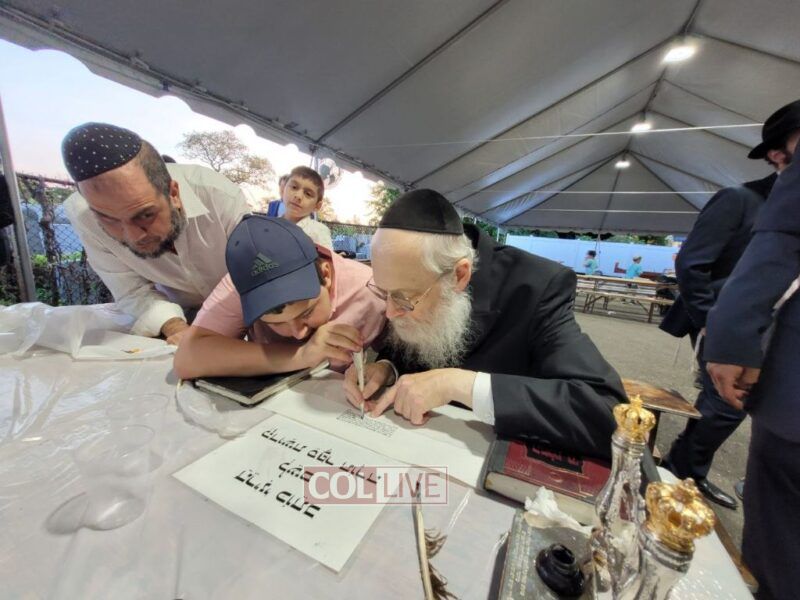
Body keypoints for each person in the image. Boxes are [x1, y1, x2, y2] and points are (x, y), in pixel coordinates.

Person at [342, 189, 624, 460]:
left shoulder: (537, 287)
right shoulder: (417, 278)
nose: (390, 313)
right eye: (384, 292)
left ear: (459, 276)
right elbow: (417, 338)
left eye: (403, 298)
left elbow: (606, 411)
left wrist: (459, 384)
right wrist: (387, 367)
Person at [660, 99, 799, 509]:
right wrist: (711, 322)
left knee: (737, 406)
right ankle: (680, 473)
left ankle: (686, 470)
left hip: (773, 326)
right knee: (726, 405)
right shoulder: (739, 199)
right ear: (778, 153)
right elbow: (691, 262)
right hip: (726, 320)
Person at [703, 153, 800, 600]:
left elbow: (780, 241)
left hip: (782, 383)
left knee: (781, 539)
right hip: (763, 359)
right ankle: (690, 469)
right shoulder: (736, 198)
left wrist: (729, 335)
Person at [62, 122, 251, 345]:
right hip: (179, 314)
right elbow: (132, 290)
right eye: (110, 220)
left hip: (243, 311)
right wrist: (176, 328)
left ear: (173, 194)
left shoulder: (218, 195)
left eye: (145, 215)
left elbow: (253, 273)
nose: (134, 237)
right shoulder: (83, 215)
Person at [173, 215, 386, 379]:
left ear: (326, 274)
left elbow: (396, 356)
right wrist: (302, 355)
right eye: (277, 323)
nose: (298, 333)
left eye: (307, 312)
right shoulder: (243, 283)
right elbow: (188, 358)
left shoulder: (371, 289)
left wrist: (385, 368)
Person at [278, 166, 333, 250]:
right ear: (283, 190)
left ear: (317, 206)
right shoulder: (270, 225)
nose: (298, 196)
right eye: (294, 187)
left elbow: (325, 258)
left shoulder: (319, 231)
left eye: (308, 194)